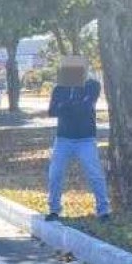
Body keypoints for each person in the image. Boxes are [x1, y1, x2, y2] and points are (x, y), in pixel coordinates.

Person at [45, 57, 110, 221]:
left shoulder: (92, 86)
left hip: (86, 139)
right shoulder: (59, 88)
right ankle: (54, 209)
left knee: (95, 173)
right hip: (63, 138)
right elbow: (52, 111)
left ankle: (103, 209)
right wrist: (72, 104)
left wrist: (65, 106)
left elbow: (86, 107)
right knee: (55, 174)